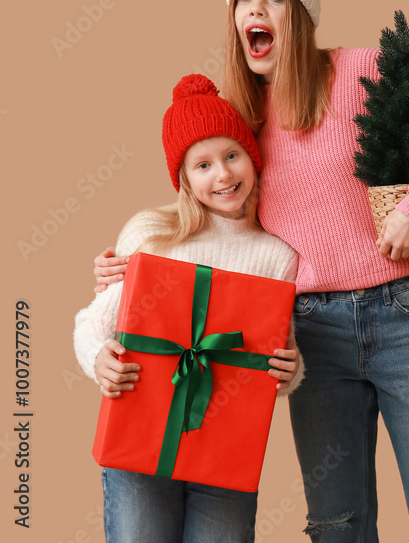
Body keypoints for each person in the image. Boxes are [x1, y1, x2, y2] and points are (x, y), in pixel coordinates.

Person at [96, 0, 409, 542]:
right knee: (337, 525)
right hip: (308, 332)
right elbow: (209, 207)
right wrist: (136, 261)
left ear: (303, 13)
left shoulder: (369, 72)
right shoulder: (242, 117)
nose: (255, 9)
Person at [77, 74, 303, 543]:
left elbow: (276, 357)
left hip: (225, 452)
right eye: (202, 164)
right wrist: (98, 357)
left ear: (252, 158)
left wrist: (290, 370)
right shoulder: (151, 232)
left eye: (232, 156)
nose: (222, 175)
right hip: (141, 439)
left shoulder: (278, 255)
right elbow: (94, 321)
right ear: (183, 176)